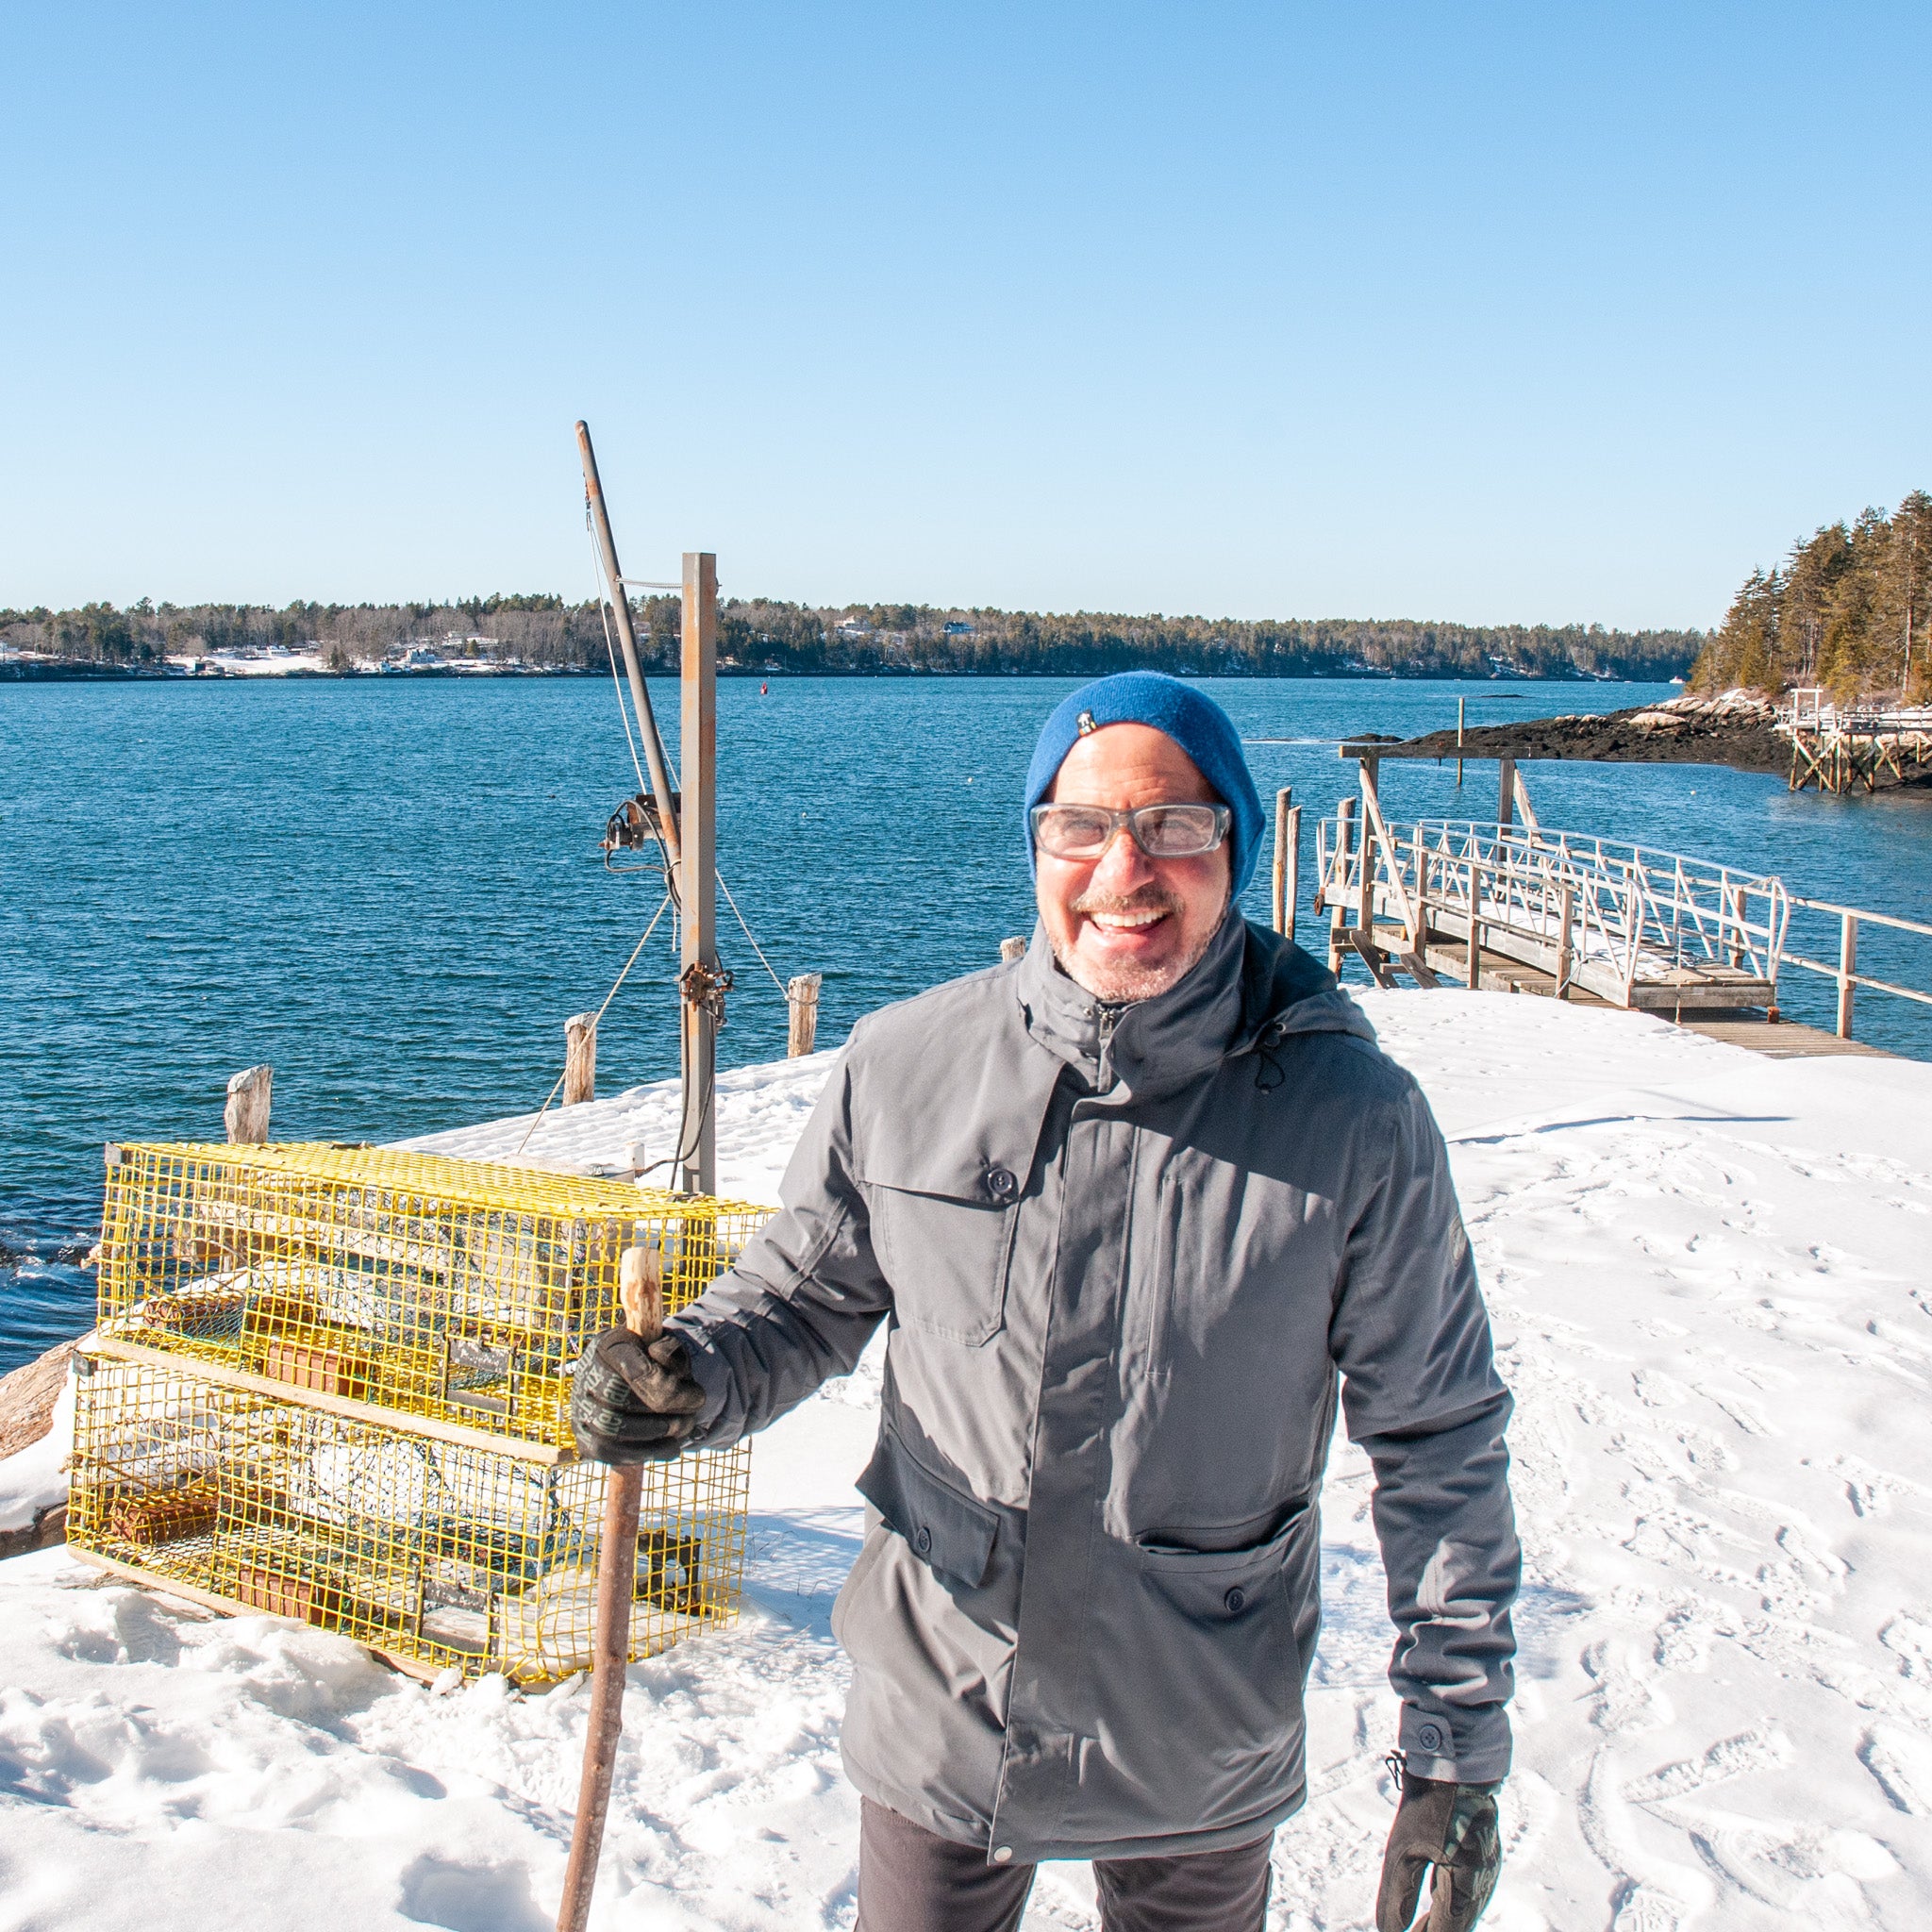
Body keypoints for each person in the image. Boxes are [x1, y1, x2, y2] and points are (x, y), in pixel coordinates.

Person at [573, 672, 1521, 1932]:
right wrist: (689, 1375)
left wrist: (1454, 1754)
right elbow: (799, 1301)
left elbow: (1437, 1440)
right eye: (1082, 827)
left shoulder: (1355, 1123)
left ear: (1232, 844)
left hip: (1201, 1725)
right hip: (944, 1702)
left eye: (1174, 826)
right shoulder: (905, 1066)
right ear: (1036, 844)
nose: (1124, 870)